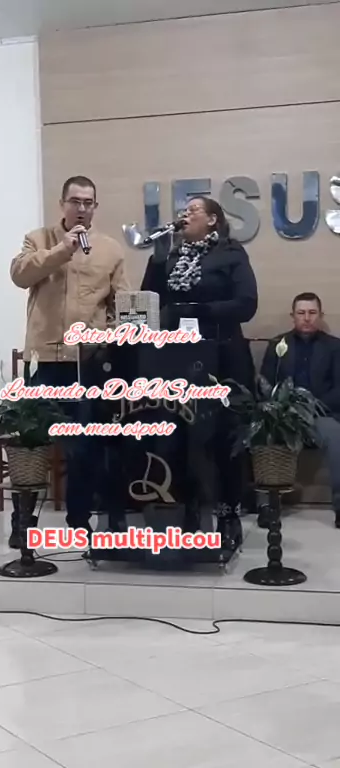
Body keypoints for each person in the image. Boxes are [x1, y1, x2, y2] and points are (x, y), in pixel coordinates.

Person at [9, 175, 129, 547]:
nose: (81, 208)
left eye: (88, 202)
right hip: (44, 360)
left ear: (95, 207)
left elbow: (123, 306)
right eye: (75, 201)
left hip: (85, 364)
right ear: (62, 204)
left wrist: (105, 336)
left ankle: (79, 520)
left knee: (84, 447)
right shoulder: (39, 239)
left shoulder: (110, 250)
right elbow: (20, 275)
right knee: (30, 443)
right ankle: (23, 521)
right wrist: (62, 249)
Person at [140, 196, 258, 551]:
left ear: (212, 220)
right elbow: (149, 300)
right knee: (179, 436)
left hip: (223, 357)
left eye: (193, 211)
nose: (184, 215)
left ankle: (228, 513)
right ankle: (187, 509)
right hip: (177, 358)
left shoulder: (231, 253)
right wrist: (157, 258)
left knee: (222, 436)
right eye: (183, 211)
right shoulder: (171, 256)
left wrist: (199, 310)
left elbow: (247, 304)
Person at [261, 292, 340, 528]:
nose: (307, 318)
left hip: (320, 414)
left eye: (312, 313)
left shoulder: (335, 347)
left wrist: (311, 407)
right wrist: (282, 409)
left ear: (321, 315)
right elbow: (265, 383)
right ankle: (267, 505)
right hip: (283, 416)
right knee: (260, 432)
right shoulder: (278, 345)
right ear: (293, 316)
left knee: (335, 434)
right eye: (301, 313)